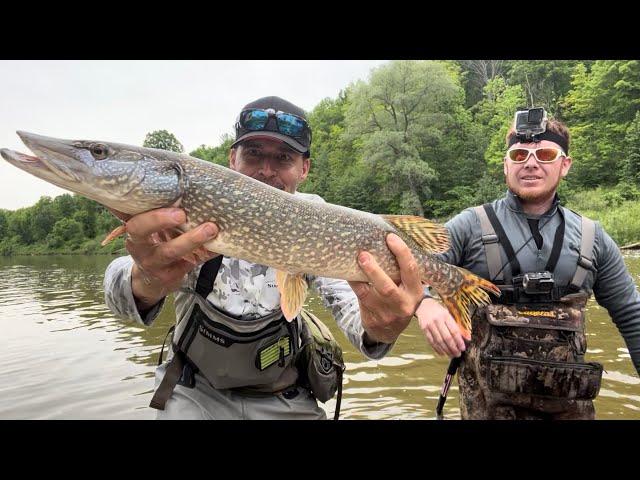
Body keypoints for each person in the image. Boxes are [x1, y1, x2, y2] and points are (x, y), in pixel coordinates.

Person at [103, 95, 426, 419]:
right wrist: (145, 279)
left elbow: (355, 316)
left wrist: (382, 326)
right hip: (193, 390)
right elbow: (118, 295)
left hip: (283, 392)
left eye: (284, 157)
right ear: (232, 158)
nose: (266, 170)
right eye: (254, 154)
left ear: (305, 169)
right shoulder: (194, 205)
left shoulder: (323, 219)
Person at [416, 109, 640, 420]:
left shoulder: (595, 238)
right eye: (519, 154)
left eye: (545, 153)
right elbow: (413, 269)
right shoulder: (468, 226)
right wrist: (424, 304)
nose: (531, 163)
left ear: (565, 165)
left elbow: (632, 316)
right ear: (506, 164)